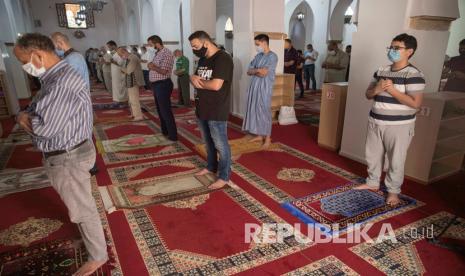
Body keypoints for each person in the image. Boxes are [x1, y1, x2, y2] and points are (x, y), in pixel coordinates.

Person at [14, 33, 107, 276]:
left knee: (83, 208)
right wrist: (28, 114)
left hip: (68, 156)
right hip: (71, 150)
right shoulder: (54, 76)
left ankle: (98, 255)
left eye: (24, 61)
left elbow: (44, 128)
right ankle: (92, 244)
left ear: (38, 55)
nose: (24, 67)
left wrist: (24, 119)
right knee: (81, 203)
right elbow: (37, 107)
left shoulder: (61, 81)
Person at [354, 33, 425, 206]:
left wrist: (393, 91)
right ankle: (372, 182)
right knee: (372, 156)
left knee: (396, 160)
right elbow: (368, 94)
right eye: (391, 47)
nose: (392, 50)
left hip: (399, 125)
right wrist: (377, 89)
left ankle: (393, 192)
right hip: (375, 121)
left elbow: (416, 103)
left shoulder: (414, 74)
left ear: (409, 51)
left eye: (396, 48)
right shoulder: (381, 70)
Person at [189, 30, 233, 189]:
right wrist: (192, 78)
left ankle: (224, 176)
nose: (194, 49)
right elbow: (193, 77)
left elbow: (216, 85)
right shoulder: (202, 59)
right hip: (202, 107)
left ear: (205, 42)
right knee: (208, 143)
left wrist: (198, 83)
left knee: (221, 144)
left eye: (195, 46)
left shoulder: (223, 58)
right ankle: (210, 166)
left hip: (216, 108)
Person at [242, 34, 278, 148]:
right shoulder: (258, 56)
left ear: (264, 43)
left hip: (265, 87)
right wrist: (257, 70)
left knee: (264, 112)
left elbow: (264, 73)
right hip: (254, 87)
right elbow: (248, 71)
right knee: (255, 109)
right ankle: (259, 134)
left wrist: (255, 70)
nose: (256, 46)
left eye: (257, 44)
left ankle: (267, 138)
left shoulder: (273, 56)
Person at [147, 35, 178, 141]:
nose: (149, 46)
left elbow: (164, 71)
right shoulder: (157, 53)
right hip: (156, 85)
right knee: (160, 110)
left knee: (165, 110)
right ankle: (165, 131)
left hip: (163, 84)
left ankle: (173, 135)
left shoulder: (167, 53)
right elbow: (155, 67)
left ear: (156, 43)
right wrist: (151, 65)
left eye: (150, 44)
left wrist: (152, 67)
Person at [117, 47, 145, 121]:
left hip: (134, 81)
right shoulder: (129, 58)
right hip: (130, 81)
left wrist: (121, 69)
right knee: (131, 99)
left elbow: (129, 71)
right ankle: (133, 114)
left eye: (120, 55)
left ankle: (138, 116)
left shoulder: (132, 58)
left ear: (124, 51)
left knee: (134, 99)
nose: (120, 56)